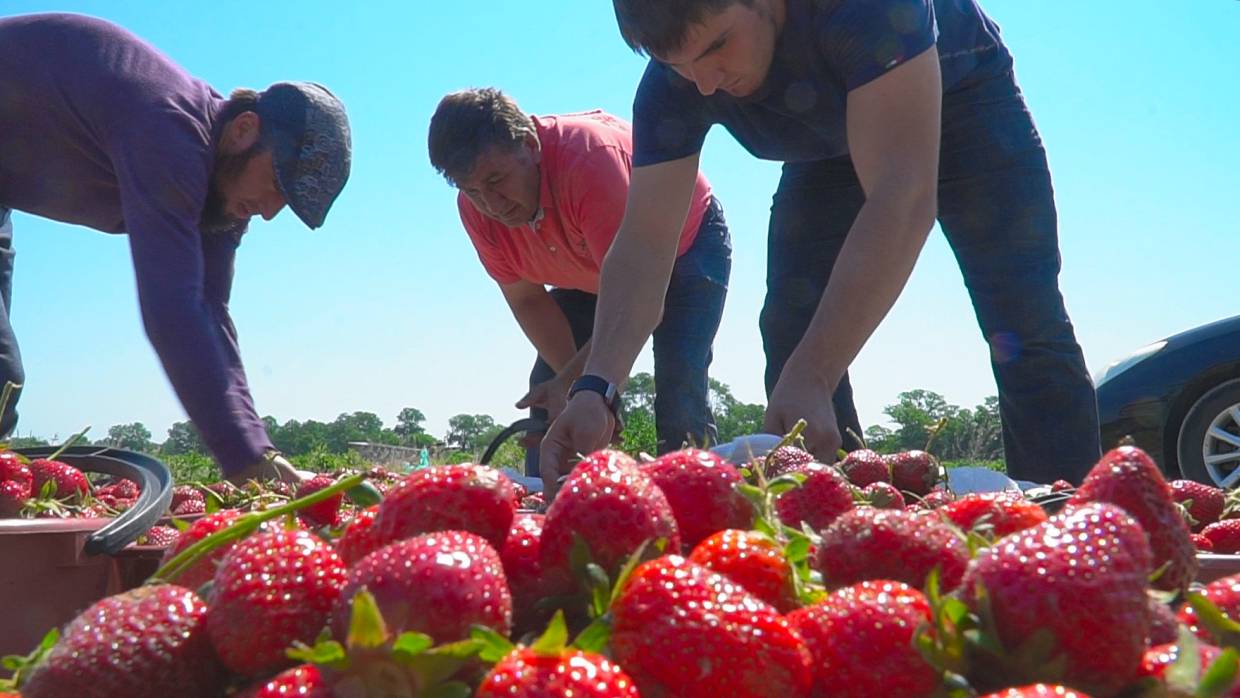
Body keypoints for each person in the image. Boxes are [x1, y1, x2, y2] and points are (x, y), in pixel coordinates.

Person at [539, 0, 1101, 496]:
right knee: (792, 331)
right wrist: (597, 387)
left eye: (717, 46)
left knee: (1024, 321)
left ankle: (1068, 521)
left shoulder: (867, 9)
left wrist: (818, 370)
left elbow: (902, 198)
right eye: (678, 65)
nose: (704, 84)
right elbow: (643, 246)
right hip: (826, 149)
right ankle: (843, 516)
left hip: (963, 100)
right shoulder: (676, 85)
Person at [0, 14, 352, 484]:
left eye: (284, 206)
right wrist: (244, 459)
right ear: (244, 129)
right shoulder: (170, 130)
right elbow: (174, 313)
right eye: (275, 186)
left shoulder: (222, 193)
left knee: (3, 381)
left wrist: (261, 453)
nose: (269, 212)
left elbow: (210, 311)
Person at [427, 88, 731, 478]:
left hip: (681, 251)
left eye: (497, 179)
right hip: (587, 267)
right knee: (550, 386)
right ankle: (553, 500)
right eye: (471, 190)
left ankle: (697, 499)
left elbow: (639, 294)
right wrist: (571, 387)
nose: (492, 204)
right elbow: (527, 302)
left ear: (530, 145)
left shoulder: (590, 162)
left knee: (678, 385)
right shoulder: (476, 210)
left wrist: (591, 385)